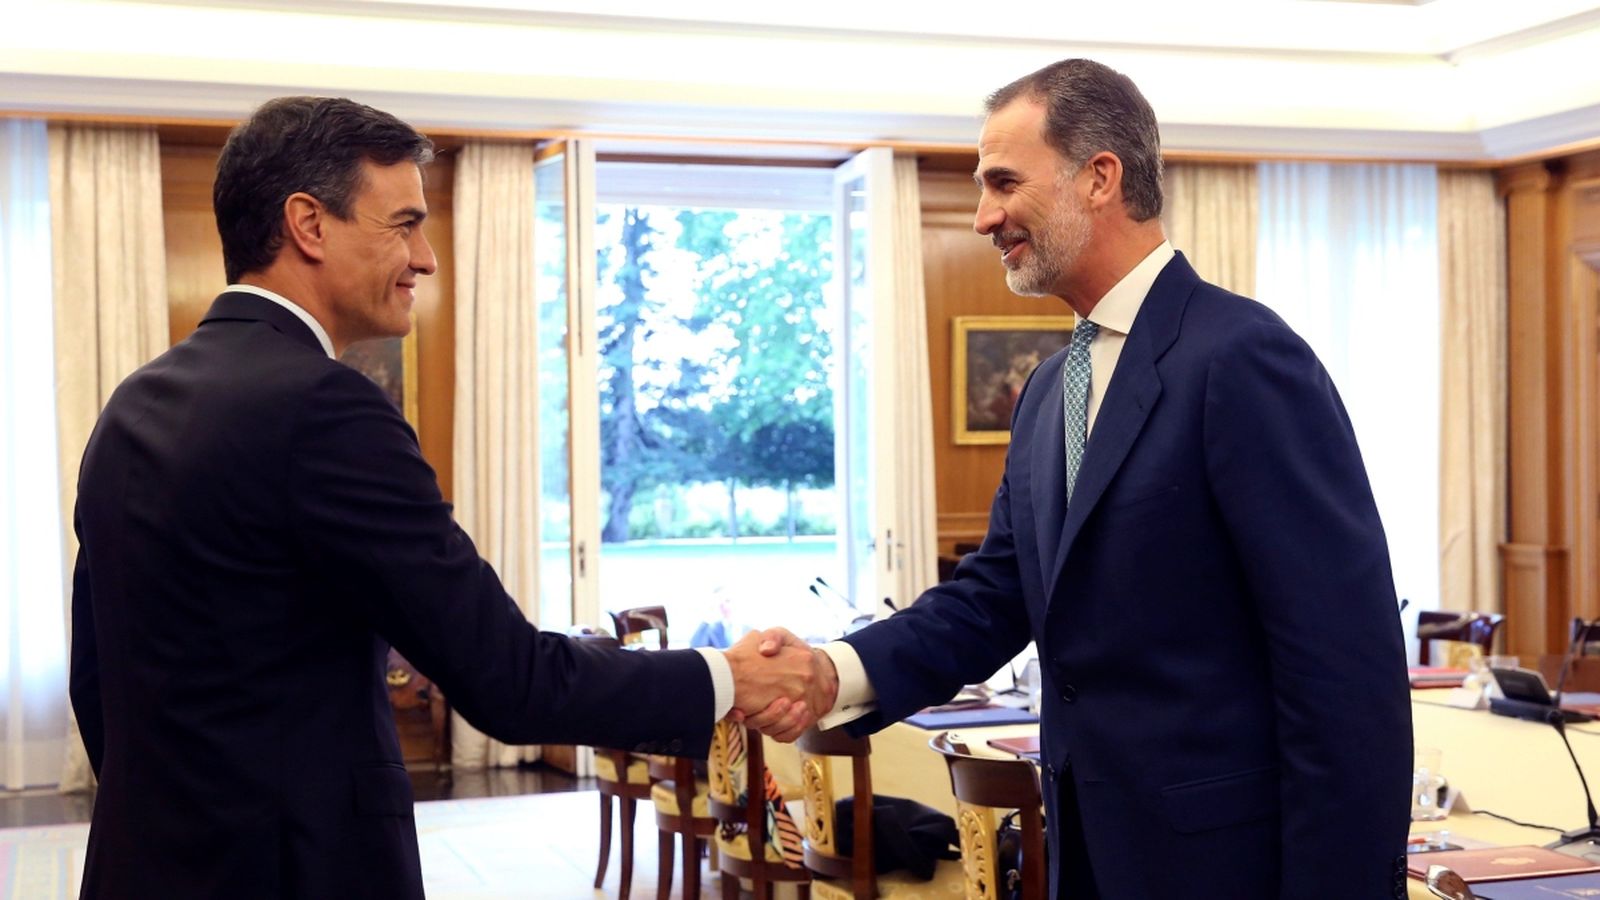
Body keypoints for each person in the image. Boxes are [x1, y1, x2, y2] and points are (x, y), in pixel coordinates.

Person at [67, 96, 817, 900]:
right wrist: (727, 677)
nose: (425, 258)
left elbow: (96, 679)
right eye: (404, 224)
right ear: (308, 225)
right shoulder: (327, 408)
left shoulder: (133, 404)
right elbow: (510, 681)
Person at [752, 59, 1413, 898]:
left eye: (1003, 183)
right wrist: (830, 671)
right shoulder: (1044, 390)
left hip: (1228, 869)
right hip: (1088, 859)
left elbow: (1343, 673)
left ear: (1100, 177)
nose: (984, 215)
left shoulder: (1242, 359)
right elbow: (993, 599)